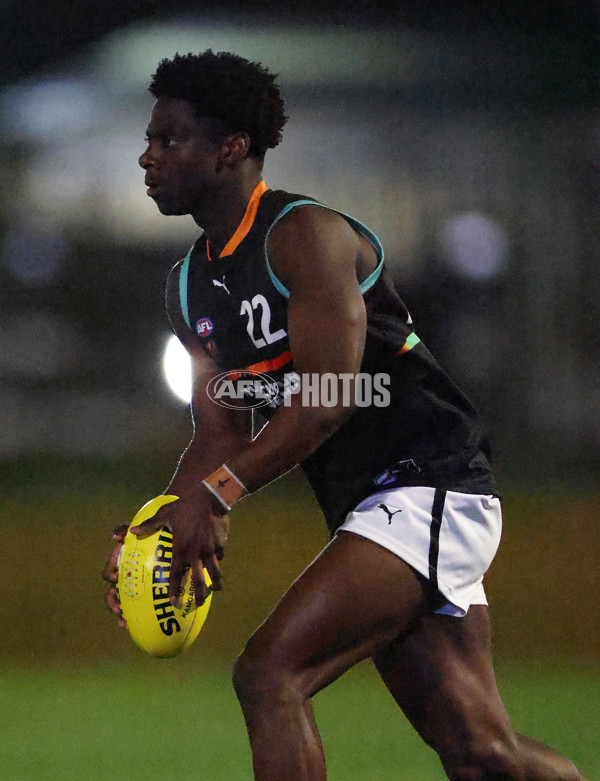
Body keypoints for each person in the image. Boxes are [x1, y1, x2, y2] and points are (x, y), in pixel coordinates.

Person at [104, 50, 586, 781]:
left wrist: (217, 495)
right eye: (150, 138)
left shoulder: (305, 235)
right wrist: (165, 517)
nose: (147, 156)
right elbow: (219, 431)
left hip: (433, 485)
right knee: (483, 755)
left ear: (231, 148)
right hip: (378, 507)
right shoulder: (188, 288)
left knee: (269, 674)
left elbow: (328, 401)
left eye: (168, 139)